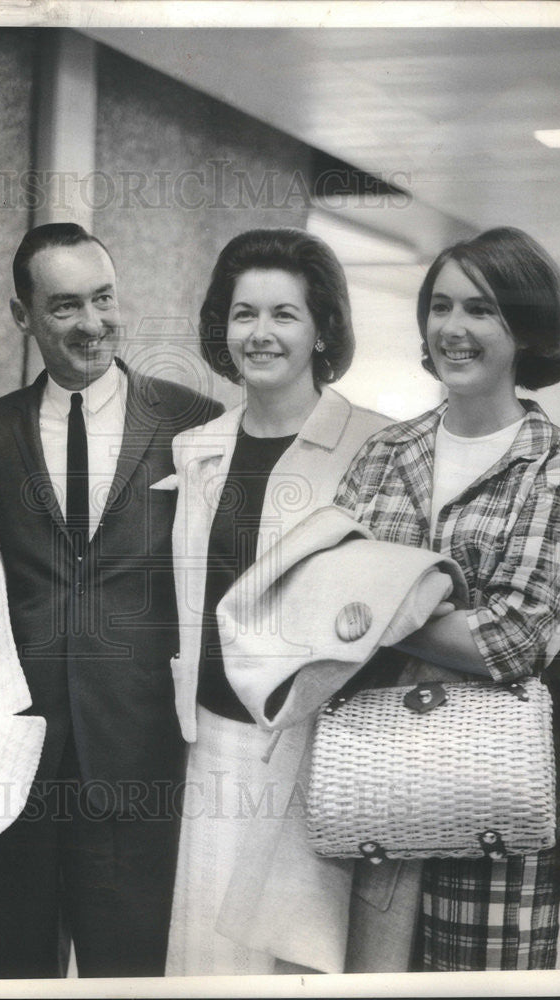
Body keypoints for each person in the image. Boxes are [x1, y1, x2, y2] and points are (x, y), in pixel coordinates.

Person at [334, 226, 560, 971]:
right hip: (374, 776)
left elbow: (510, 642)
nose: (454, 328)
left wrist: (377, 612)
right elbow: (320, 597)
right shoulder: (387, 452)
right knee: (372, 982)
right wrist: (410, 612)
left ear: (526, 330)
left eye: (481, 310)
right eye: (441, 306)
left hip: (494, 788)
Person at [0, 222, 222, 979]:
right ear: (24, 316)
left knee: (132, 977)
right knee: (17, 977)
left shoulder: (195, 426)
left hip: (140, 753)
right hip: (16, 761)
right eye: (66, 306)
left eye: (105, 299)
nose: (92, 323)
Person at [165, 227, 412, 976]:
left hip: (319, 751)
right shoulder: (198, 446)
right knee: (211, 961)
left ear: (321, 331)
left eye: (284, 315)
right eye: (244, 314)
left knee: (299, 960)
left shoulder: (378, 447)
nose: (260, 334)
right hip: (213, 742)